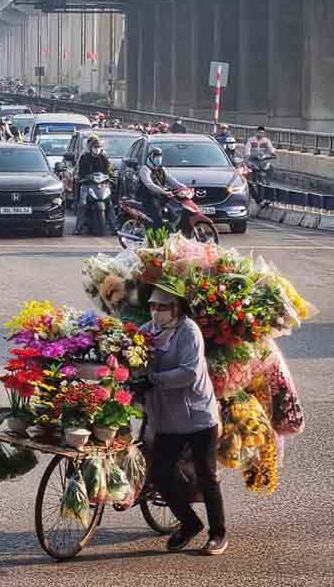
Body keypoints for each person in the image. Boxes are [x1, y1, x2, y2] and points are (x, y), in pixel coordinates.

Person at [141, 284, 227, 555]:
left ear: (176, 308)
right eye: (153, 306)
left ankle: (218, 535)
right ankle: (190, 524)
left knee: (206, 475)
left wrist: (155, 379)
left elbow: (189, 371)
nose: (156, 312)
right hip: (167, 420)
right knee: (158, 474)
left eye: (162, 307)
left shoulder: (189, 331)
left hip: (198, 417)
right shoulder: (147, 331)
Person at [74, 135, 115, 235]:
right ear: (90, 148)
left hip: (101, 185)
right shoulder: (84, 157)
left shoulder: (104, 158)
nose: (97, 149)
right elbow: (79, 172)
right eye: (95, 147)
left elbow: (109, 171)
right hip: (87, 184)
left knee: (109, 204)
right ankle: (78, 227)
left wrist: (110, 177)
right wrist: (83, 178)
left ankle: (114, 226)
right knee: (82, 204)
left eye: (98, 147)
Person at [136, 146, 183, 230]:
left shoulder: (161, 169)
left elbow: (171, 180)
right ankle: (156, 236)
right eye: (156, 157)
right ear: (151, 157)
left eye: (160, 157)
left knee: (175, 212)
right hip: (148, 197)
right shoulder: (145, 169)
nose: (159, 159)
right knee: (157, 217)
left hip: (160, 196)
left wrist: (182, 187)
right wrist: (164, 192)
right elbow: (149, 184)